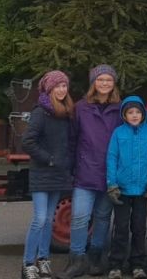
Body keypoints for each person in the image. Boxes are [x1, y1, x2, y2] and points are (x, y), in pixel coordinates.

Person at [58, 64, 123, 279]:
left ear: (114, 83)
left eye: (109, 80)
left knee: (103, 217)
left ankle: (95, 258)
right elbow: (72, 139)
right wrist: (70, 168)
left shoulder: (120, 109)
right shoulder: (81, 108)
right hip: (85, 171)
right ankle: (76, 260)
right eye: (100, 79)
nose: (104, 83)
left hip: (110, 172)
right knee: (79, 217)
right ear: (93, 82)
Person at [22, 70, 76, 279]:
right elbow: (28, 141)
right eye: (57, 87)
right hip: (42, 173)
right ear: (49, 89)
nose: (62, 90)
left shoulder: (65, 112)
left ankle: (44, 260)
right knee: (40, 219)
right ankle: (28, 264)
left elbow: (68, 142)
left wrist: (66, 162)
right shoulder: (40, 113)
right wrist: (49, 159)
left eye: (64, 86)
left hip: (59, 174)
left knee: (49, 221)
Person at [105, 96, 147, 279]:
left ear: (143, 114)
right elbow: (112, 159)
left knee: (139, 228)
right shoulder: (118, 133)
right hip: (121, 189)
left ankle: (138, 264)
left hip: (142, 190)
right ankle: (116, 264)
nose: (135, 115)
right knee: (120, 228)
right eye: (130, 112)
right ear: (124, 114)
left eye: (138, 112)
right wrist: (111, 184)